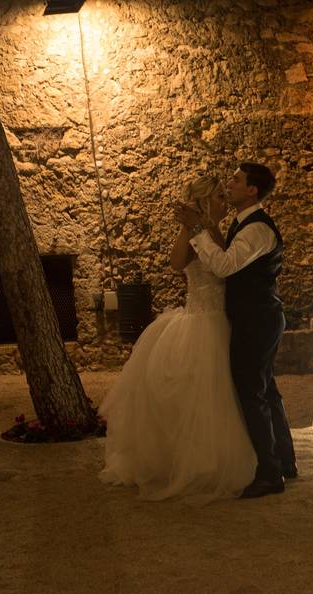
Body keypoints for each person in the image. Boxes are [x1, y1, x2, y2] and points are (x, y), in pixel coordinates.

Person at [98, 176, 256, 502]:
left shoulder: (215, 231)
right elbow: (175, 264)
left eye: (226, 194)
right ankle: (197, 463)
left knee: (217, 394)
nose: (225, 200)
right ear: (203, 201)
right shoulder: (201, 231)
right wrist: (190, 228)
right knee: (203, 394)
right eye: (219, 196)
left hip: (217, 320)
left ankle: (207, 458)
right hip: (203, 321)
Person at [176, 162, 296, 499]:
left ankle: (270, 474)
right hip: (254, 317)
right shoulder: (242, 224)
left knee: (251, 393)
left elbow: (225, 266)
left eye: (236, 180)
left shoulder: (258, 229)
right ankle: (285, 462)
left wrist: (198, 228)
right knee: (266, 390)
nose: (230, 183)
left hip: (257, 319)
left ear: (252, 190)